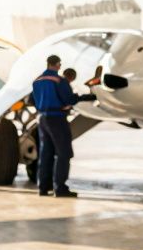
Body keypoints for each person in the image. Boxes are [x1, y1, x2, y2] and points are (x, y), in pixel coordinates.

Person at [31, 55, 95, 197]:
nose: (60, 67)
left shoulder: (37, 81)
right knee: (63, 153)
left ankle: (43, 188)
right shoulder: (59, 81)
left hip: (42, 118)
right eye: (59, 64)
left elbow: (31, 100)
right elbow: (69, 99)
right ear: (57, 64)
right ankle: (60, 188)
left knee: (45, 153)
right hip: (57, 119)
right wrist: (87, 97)